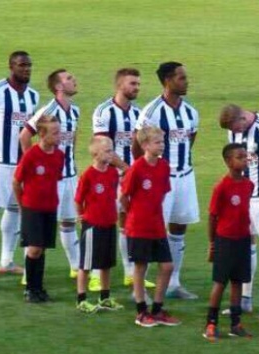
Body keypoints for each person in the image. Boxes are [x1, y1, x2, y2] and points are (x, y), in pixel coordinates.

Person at [133, 61, 199, 300]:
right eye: (181, 78)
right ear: (167, 81)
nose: (186, 81)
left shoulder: (190, 111)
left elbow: (190, 139)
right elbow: (137, 146)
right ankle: (139, 289)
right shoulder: (151, 112)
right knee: (153, 230)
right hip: (161, 180)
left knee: (179, 227)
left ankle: (174, 283)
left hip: (185, 176)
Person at [90, 68, 154, 293]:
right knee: (104, 223)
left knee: (128, 223)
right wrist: (127, 168)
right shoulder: (103, 111)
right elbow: (101, 147)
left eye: (138, 84)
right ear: (119, 85)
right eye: (132, 84)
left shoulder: (139, 113)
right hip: (109, 177)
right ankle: (96, 275)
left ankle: (130, 273)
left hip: (130, 177)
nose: (137, 87)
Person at [219, 104, 259, 318]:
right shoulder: (233, 129)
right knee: (245, 244)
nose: (234, 132)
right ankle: (245, 300)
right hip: (243, 196)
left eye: (235, 127)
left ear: (241, 118)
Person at [0, 51, 39, 278]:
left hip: (20, 163)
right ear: (11, 66)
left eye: (29, 65)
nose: (26, 69)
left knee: (14, 209)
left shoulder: (33, 95)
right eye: (22, 65)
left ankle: (6, 260)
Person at [20, 69, 80, 279]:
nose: (74, 80)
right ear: (58, 87)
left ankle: (76, 267)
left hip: (70, 174)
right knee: (40, 228)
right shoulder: (48, 110)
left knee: (69, 221)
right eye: (69, 78)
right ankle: (29, 274)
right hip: (50, 179)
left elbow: (73, 139)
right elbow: (25, 135)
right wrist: (35, 165)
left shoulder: (75, 111)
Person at [121, 126, 180, 327]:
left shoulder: (164, 166)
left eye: (163, 142)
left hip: (156, 225)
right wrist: (134, 214)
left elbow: (163, 192)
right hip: (138, 226)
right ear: (145, 145)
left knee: (167, 266)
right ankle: (141, 311)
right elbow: (123, 196)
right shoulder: (136, 168)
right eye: (157, 142)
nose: (161, 145)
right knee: (141, 267)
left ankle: (157, 309)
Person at [203, 143, 254, 341]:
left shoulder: (249, 185)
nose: (244, 160)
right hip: (225, 240)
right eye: (239, 157)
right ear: (228, 161)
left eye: (245, 156)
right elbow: (212, 216)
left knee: (238, 281)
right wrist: (212, 243)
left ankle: (235, 323)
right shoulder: (222, 186)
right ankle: (211, 322)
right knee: (219, 282)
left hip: (243, 239)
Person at [13, 115, 64, 303]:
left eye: (59, 131)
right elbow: (16, 182)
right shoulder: (31, 155)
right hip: (32, 208)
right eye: (55, 132)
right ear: (41, 134)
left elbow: (55, 179)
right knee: (34, 249)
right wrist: (22, 205)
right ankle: (30, 289)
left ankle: (39, 287)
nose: (59, 136)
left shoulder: (59, 155)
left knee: (42, 249)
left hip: (50, 207)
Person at [74, 137, 122, 313]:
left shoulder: (113, 173)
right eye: (108, 151)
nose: (111, 154)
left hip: (109, 223)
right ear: (95, 153)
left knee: (106, 263)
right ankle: (82, 299)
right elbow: (78, 200)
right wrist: (82, 216)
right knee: (86, 265)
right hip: (93, 225)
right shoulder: (88, 175)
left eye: (112, 150)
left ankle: (105, 297)